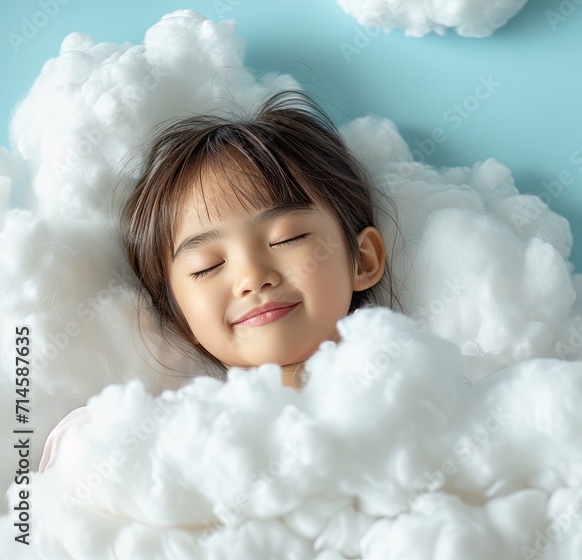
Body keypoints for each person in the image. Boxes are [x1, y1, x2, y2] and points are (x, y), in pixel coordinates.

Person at [39, 89, 401, 472]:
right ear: (182, 318)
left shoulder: (412, 395)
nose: (252, 277)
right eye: (207, 265)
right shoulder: (164, 441)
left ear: (362, 260)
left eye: (286, 239)